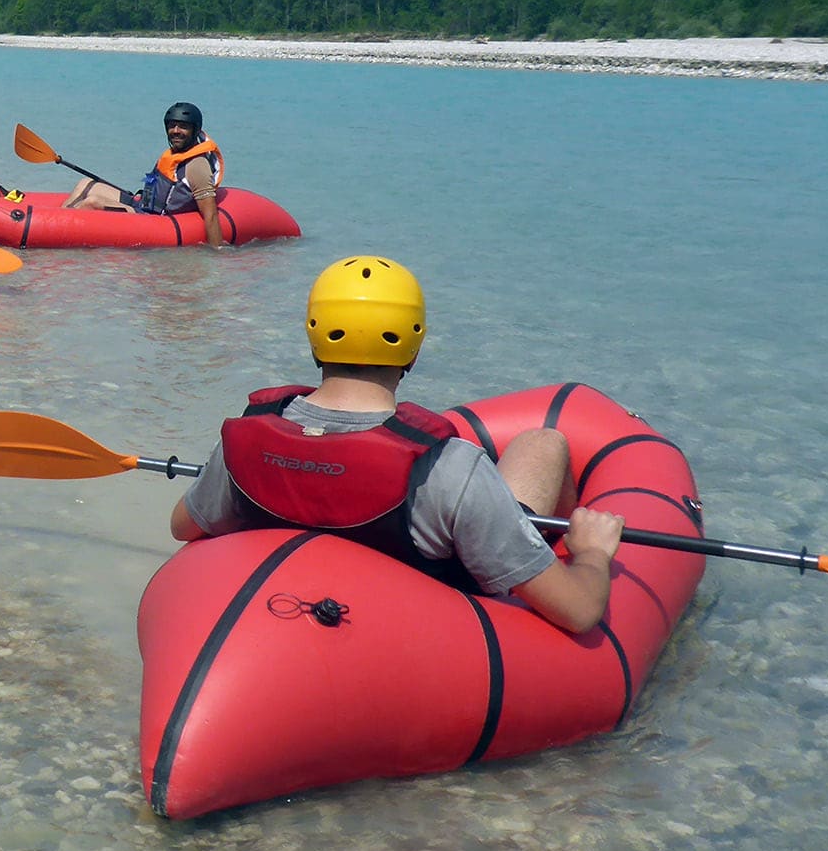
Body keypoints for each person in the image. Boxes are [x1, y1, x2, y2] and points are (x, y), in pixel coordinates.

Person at [169, 255, 626, 634]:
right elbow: (580, 613)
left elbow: (184, 526)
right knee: (544, 442)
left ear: (313, 337)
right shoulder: (448, 468)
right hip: (422, 633)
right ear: (414, 348)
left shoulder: (248, 437)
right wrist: (590, 553)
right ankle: (545, 551)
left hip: (289, 607)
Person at [63, 102, 224, 247]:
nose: (176, 131)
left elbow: (210, 215)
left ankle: (60, 232)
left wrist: (216, 253)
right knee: (86, 184)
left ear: (195, 129)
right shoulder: (175, 154)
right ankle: (58, 217)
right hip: (143, 207)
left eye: (183, 126)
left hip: (155, 221)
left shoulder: (196, 165)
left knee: (92, 202)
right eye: (172, 126)